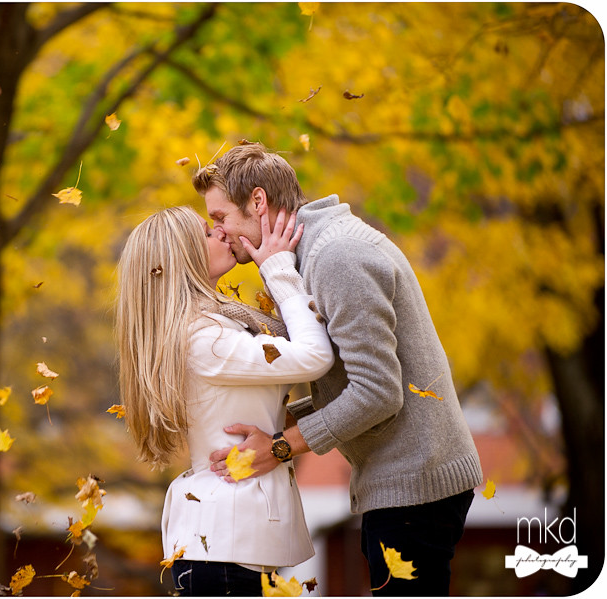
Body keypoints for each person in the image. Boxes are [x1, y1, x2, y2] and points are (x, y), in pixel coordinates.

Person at [194, 143, 484, 596]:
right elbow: (351, 376)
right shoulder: (309, 255)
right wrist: (283, 419)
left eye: (219, 218)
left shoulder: (336, 257)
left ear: (258, 202)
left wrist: (281, 446)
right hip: (401, 480)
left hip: (416, 484)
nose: (219, 232)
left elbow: (377, 392)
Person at [115, 205, 334, 596]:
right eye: (205, 231)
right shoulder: (206, 339)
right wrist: (280, 269)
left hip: (227, 543)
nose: (220, 232)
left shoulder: (216, 325)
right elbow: (314, 357)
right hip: (224, 547)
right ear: (179, 258)